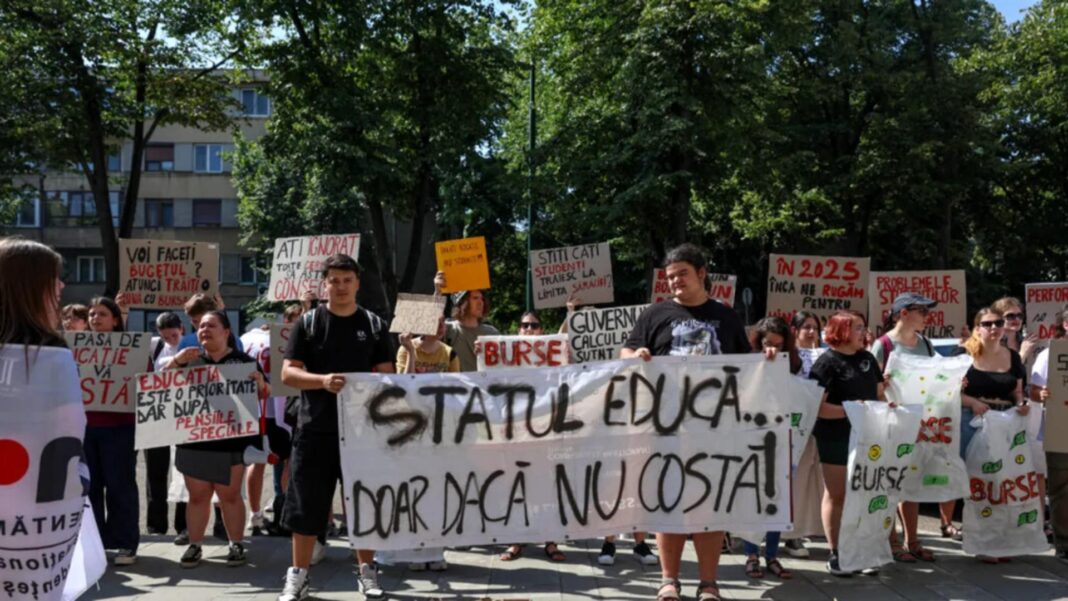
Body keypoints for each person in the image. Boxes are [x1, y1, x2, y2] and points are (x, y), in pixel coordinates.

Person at [622, 243, 753, 601]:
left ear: (701, 273)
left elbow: (748, 366)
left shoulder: (726, 317)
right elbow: (626, 351)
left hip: (715, 429)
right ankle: (669, 580)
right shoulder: (655, 314)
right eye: (669, 276)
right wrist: (636, 355)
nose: (675, 281)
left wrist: (769, 358)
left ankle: (709, 583)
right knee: (669, 502)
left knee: (710, 504)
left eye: (682, 273)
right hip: (666, 428)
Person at [278, 254, 395, 601]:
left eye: (347, 280)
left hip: (362, 432)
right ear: (324, 284)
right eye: (334, 280)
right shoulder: (308, 322)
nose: (341, 286)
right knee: (305, 506)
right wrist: (322, 381)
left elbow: (387, 375)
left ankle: (367, 572)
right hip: (314, 429)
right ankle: (298, 576)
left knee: (364, 503)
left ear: (357, 283)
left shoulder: (374, 324)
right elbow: (288, 373)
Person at [168, 311, 266, 568]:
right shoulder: (189, 360)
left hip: (230, 442)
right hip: (194, 440)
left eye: (211, 325)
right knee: (197, 497)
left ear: (226, 332)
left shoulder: (243, 361)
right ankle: (195, 545)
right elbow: (160, 385)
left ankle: (236, 544)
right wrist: (176, 362)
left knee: (229, 496)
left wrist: (259, 383)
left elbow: (264, 393)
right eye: (201, 326)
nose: (204, 330)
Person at [497, 312, 582, 565]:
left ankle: (550, 540)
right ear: (518, 330)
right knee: (516, 486)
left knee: (548, 486)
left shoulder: (550, 354)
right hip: (516, 430)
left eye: (534, 325)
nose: (529, 329)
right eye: (525, 325)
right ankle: (516, 540)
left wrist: (570, 313)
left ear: (541, 330)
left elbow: (561, 339)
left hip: (547, 429)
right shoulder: (506, 356)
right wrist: (483, 355)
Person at [810, 310, 886, 577]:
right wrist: (851, 410)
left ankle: (860, 551)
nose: (864, 332)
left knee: (863, 493)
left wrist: (888, 409)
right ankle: (837, 553)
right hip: (835, 436)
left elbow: (879, 394)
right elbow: (816, 407)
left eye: (864, 327)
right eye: (858, 328)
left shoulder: (868, 359)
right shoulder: (826, 363)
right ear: (841, 331)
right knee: (838, 494)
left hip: (867, 435)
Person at [870, 293, 943, 561]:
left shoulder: (926, 344)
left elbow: (936, 379)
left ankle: (913, 540)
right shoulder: (883, 345)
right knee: (891, 484)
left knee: (912, 483)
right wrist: (883, 384)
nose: (927, 316)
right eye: (922, 311)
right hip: (891, 424)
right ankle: (892, 542)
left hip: (920, 424)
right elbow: (871, 388)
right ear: (903, 313)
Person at [959, 306, 1030, 564]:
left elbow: (1017, 391)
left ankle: (999, 540)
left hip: (1004, 421)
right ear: (977, 328)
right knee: (979, 483)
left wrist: (1021, 403)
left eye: (998, 323)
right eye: (987, 324)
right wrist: (972, 402)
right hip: (973, 419)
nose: (994, 328)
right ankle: (981, 541)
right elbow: (948, 391)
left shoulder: (1013, 357)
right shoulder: (964, 354)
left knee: (1002, 483)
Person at [85, 296, 141, 565]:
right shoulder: (76, 348)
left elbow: (146, 381)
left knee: (120, 486)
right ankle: (94, 544)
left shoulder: (133, 349)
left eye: (102, 314)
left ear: (116, 320)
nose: (95, 318)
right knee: (90, 487)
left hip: (121, 428)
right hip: (86, 428)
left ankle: (125, 543)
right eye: (92, 314)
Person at [741, 317, 798, 580]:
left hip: (784, 440)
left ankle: (772, 555)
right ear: (758, 342)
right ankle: (751, 554)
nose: (772, 349)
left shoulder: (794, 364)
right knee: (752, 498)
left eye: (779, 345)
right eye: (767, 343)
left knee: (778, 499)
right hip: (752, 439)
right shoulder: (747, 364)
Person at [784, 310, 824, 559]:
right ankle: (791, 535)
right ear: (795, 331)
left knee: (814, 481)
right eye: (806, 327)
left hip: (821, 425)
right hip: (796, 426)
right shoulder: (789, 357)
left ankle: (811, 527)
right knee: (795, 482)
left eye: (815, 328)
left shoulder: (825, 355)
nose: (811, 332)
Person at [145, 312, 187, 537]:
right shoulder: (155, 346)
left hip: (184, 416)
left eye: (174, 335)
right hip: (158, 416)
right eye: (165, 336)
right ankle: (156, 526)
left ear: (182, 329)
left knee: (184, 472)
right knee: (155, 473)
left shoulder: (190, 346)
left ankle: (184, 525)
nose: (170, 340)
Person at [1031, 307, 1068, 561]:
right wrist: (1041, 394)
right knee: (1061, 489)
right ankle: (1064, 543)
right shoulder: (1049, 355)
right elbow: (1033, 391)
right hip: (1059, 430)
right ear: (1065, 324)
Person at [241, 321, 273, 536]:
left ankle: (254, 513)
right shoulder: (276, 340)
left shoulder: (244, 340)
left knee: (254, 461)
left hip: (251, 409)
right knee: (285, 461)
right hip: (274, 408)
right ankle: (281, 508)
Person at [436, 271, 500, 371]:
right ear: (463, 303)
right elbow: (425, 328)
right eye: (475, 298)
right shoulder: (448, 329)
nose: (481, 302)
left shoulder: (492, 333)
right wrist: (437, 292)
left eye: (482, 299)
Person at [993, 297, 1039, 367]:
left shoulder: (1026, 341)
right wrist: (1023, 353)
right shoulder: (991, 343)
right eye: (1010, 316)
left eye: (1020, 316)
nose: (1017, 319)